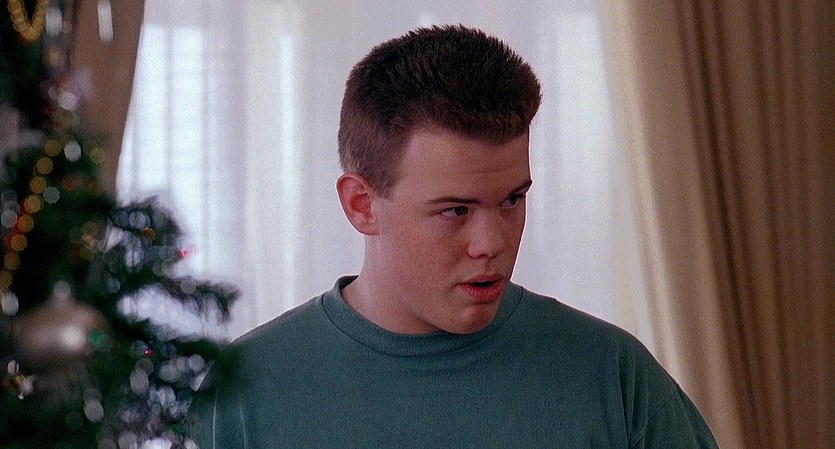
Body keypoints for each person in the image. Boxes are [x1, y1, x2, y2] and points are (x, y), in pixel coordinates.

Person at [187, 25, 719, 448]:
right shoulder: (248, 392)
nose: (492, 243)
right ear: (361, 205)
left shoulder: (613, 376)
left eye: (512, 200)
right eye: (455, 210)